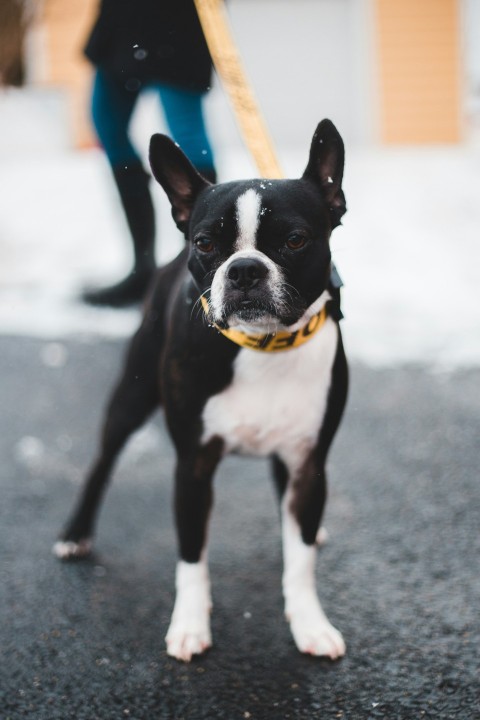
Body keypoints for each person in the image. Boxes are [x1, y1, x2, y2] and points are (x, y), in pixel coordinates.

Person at [82, 0, 217, 307]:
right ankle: (142, 268)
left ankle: (200, 269)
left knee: (188, 135)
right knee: (107, 124)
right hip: (122, 20)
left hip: (177, 19)